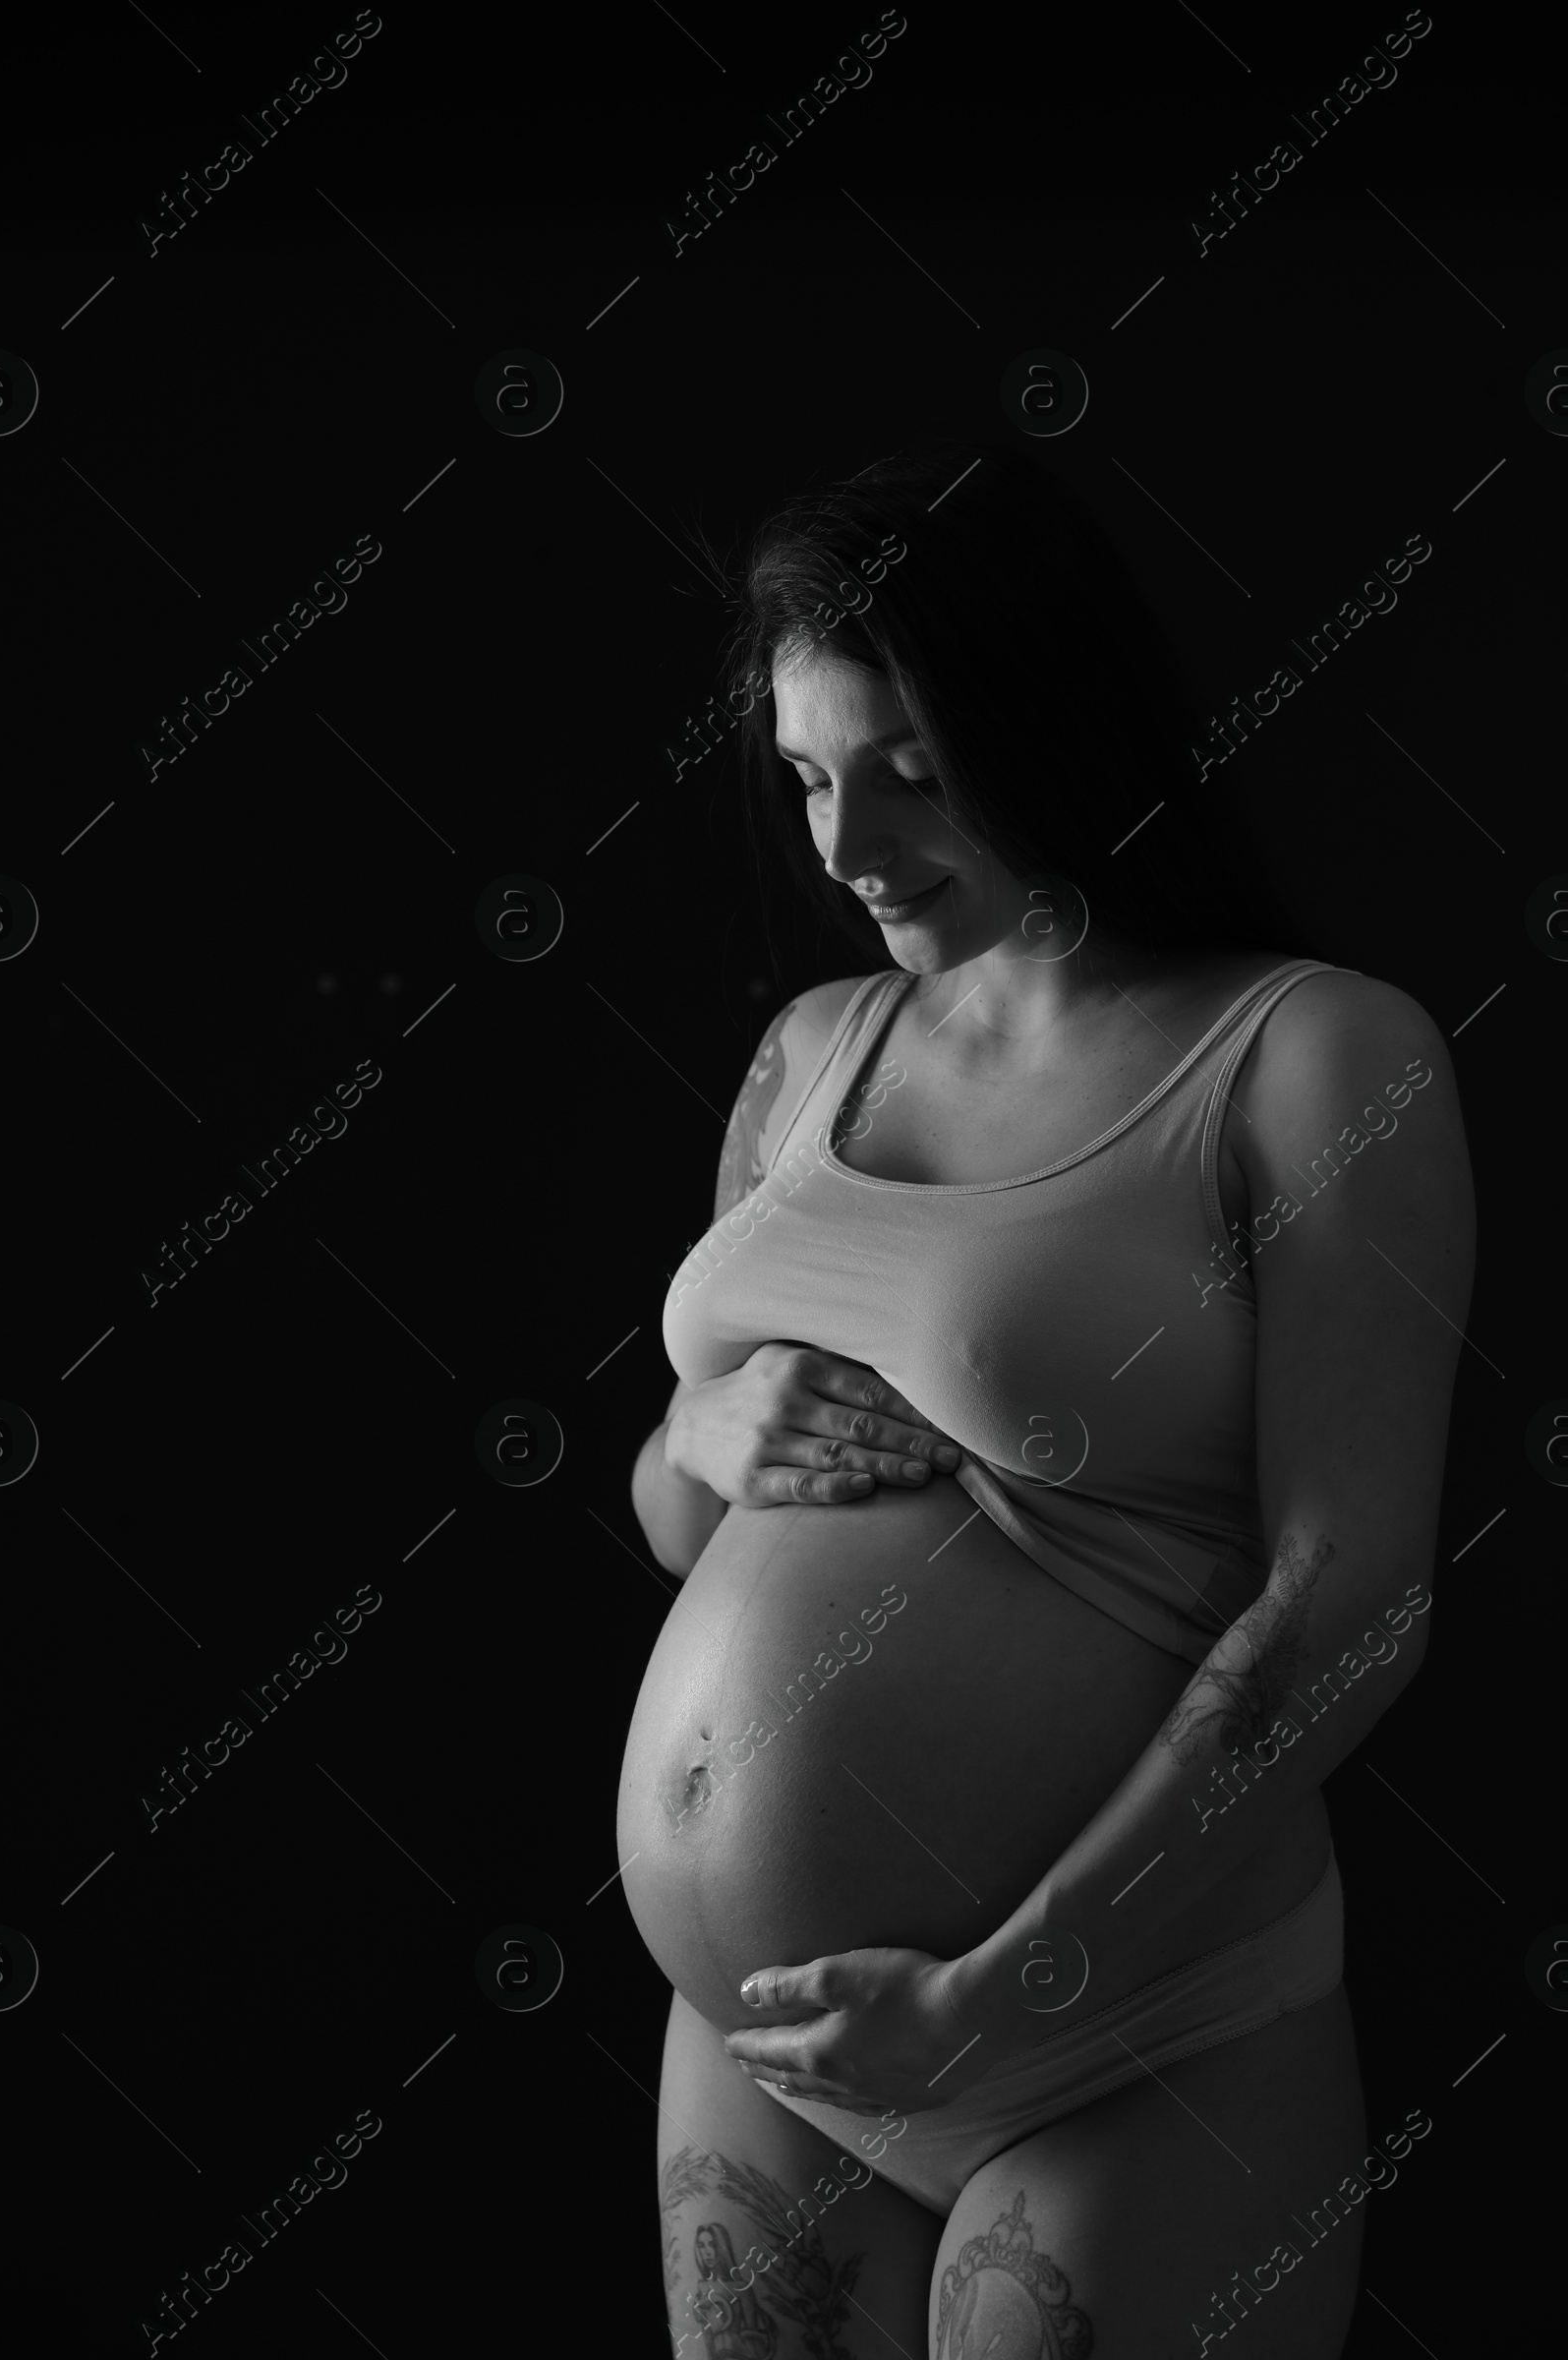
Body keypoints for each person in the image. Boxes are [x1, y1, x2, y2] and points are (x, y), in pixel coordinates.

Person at [620, 438, 1474, 2359]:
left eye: (911, 769)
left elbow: (1347, 1609)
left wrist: (1007, 1993)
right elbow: (689, 1534)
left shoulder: (1309, 1054)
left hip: (1123, 2040)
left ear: (1046, 721)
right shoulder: (807, 1053)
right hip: (762, 2049)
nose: (845, 847)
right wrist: (692, 1438)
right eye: (806, 778)